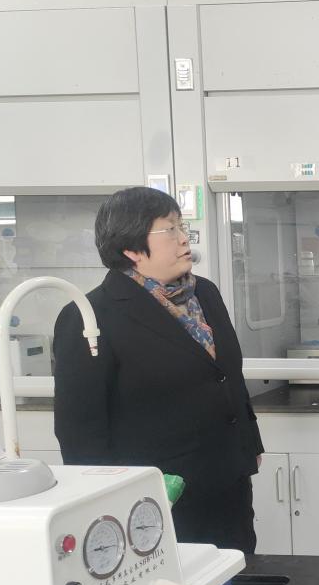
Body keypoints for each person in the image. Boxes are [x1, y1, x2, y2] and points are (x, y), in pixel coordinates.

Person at [53, 187, 264, 551]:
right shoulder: (89, 317)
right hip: (157, 499)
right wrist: (104, 506)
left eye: (182, 226)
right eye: (170, 229)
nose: (184, 238)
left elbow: (227, 374)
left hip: (228, 483)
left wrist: (249, 444)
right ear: (131, 248)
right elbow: (80, 430)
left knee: (236, 573)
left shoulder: (204, 294)